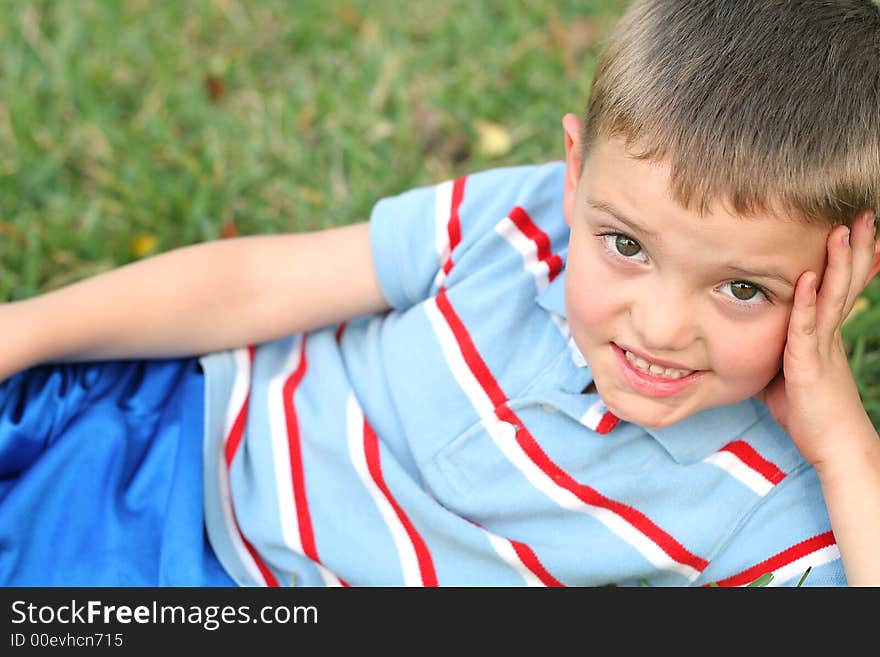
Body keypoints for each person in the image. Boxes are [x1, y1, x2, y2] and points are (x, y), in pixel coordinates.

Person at [1, 0, 879, 587]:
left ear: (843, 277)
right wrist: (22, 332)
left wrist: (844, 444)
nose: (657, 323)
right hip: (170, 431)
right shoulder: (524, 223)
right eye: (624, 245)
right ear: (575, 177)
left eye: (740, 288)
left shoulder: (771, 488)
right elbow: (255, 281)